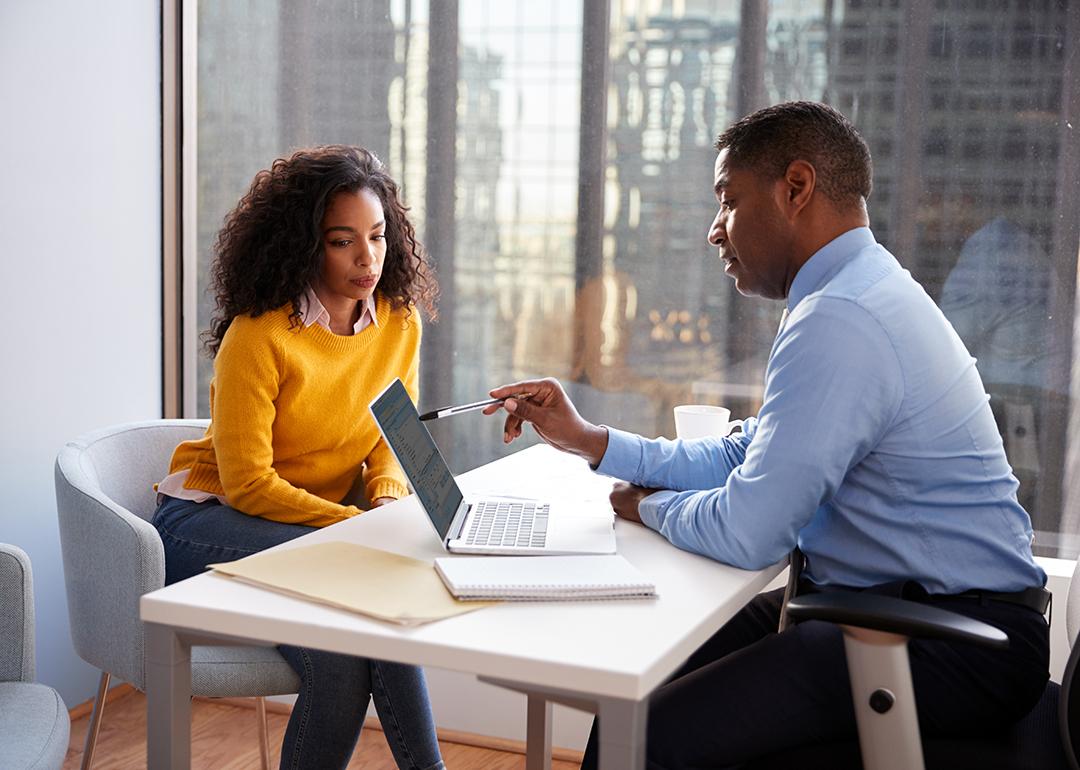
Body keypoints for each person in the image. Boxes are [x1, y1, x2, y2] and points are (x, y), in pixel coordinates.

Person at [484, 102, 1050, 768]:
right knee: (632, 699)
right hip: (895, 611)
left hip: (947, 641)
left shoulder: (842, 317)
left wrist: (646, 505)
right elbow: (743, 452)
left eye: (727, 201)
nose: (713, 231)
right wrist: (593, 442)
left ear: (796, 188)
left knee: (641, 742)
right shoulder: (856, 289)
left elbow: (749, 530)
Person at [152, 145, 445, 770]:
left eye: (378, 235)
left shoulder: (399, 322)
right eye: (343, 241)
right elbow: (250, 484)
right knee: (359, 612)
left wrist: (389, 501)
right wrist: (357, 528)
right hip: (208, 521)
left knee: (349, 655)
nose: (367, 258)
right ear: (303, 245)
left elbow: (390, 441)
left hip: (308, 526)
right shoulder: (258, 337)